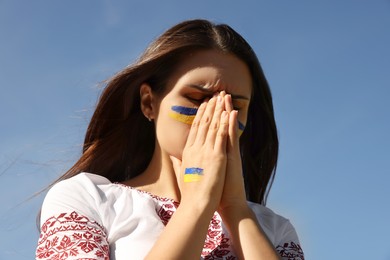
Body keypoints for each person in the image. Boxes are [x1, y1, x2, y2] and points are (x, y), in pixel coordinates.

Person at [35, 19, 304, 260]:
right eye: (197, 98)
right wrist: (197, 203)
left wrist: (235, 208)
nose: (216, 116)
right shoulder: (87, 198)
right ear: (149, 102)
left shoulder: (275, 229)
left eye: (235, 106)